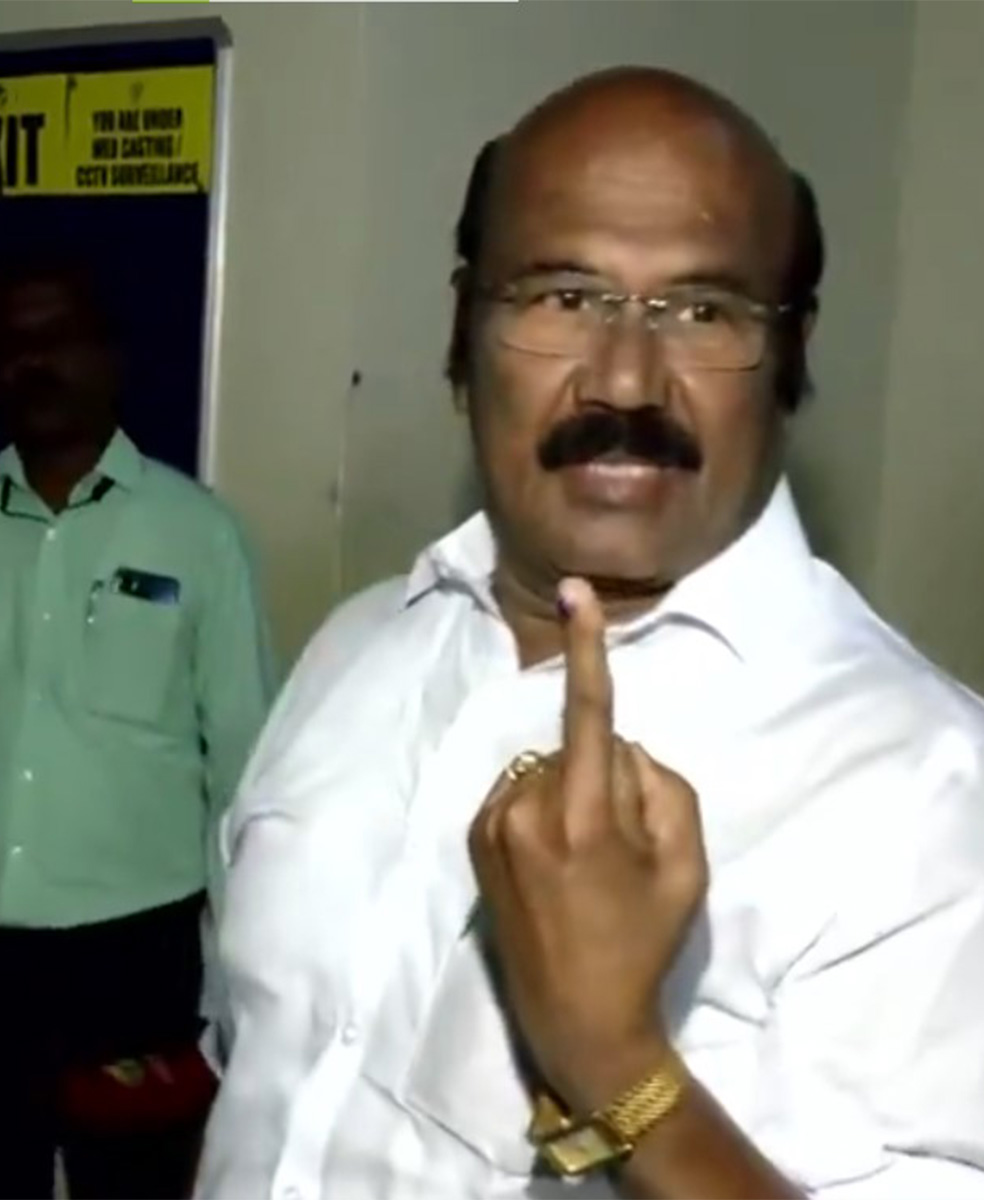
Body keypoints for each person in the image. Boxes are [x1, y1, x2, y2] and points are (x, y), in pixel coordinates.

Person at [197, 66, 984, 1200]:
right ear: (460, 334)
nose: (623, 377)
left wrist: (619, 1065)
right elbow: (261, 1084)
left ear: (792, 357)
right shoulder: (358, 648)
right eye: (562, 296)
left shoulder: (924, 795)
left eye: (704, 311)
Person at [0, 253, 277, 1199]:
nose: (34, 363)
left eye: (59, 338)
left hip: (135, 973)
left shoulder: (197, 535)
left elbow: (245, 774)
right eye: (11, 345)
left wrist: (228, 982)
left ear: (110, 357)